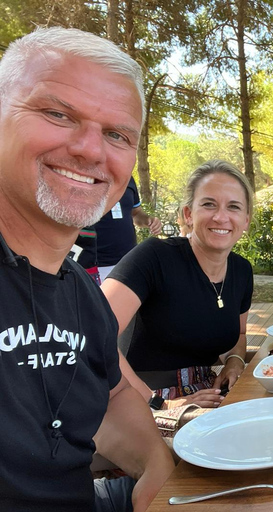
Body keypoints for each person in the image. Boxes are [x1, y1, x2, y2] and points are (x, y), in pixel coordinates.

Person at [0, 27, 174, 511]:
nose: (91, 151)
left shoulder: (81, 291)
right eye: (58, 114)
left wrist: (156, 463)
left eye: (117, 135)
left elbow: (111, 391)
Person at [101, 160, 254, 410]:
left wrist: (235, 362)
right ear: (188, 214)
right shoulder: (154, 257)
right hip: (134, 397)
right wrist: (160, 404)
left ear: (246, 220)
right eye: (208, 204)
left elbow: (240, 334)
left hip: (206, 393)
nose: (221, 217)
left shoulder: (241, 270)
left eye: (234, 207)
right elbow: (95, 333)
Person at [95, 176, 162, 279]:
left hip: (128, 262)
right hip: (94, 265)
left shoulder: (128, 178)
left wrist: (148, 220)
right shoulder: (89, 175)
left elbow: (136, 212)